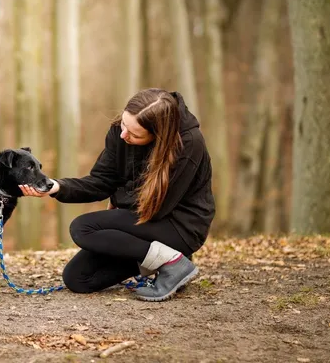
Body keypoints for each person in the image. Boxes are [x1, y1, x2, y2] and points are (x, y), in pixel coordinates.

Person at [19, 88, 215, 302]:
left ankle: (173, 262)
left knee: (82, 227)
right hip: (142, 222)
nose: (123, 135)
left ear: (157, 135)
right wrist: (56, 186)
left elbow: (159, 205)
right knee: (78, 279)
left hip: (179, 225)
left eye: (134, 134)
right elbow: (102, 181)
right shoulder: (120, 133)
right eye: (123, 124)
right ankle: (168, 260)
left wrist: (116, 199)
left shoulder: (188, 143)